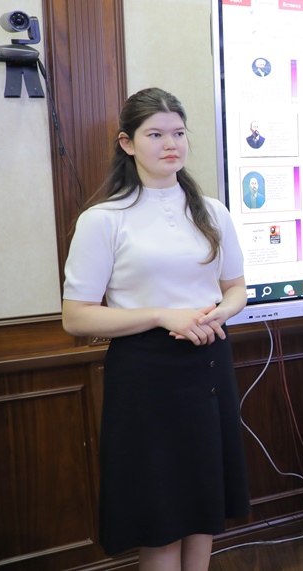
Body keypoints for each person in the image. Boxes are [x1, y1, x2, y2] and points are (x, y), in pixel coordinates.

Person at [61, 87, 250, 570]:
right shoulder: (103, 219)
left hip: (208, 363)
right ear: (127, 143)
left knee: (204, 508)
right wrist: (163, 315)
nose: (171, 144)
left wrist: (217, 314)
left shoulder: (213, 211)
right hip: (145, 376)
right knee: (162, 517)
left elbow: (236, 290)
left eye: (179, 133)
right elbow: (76, 317)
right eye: (156, 134)